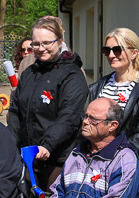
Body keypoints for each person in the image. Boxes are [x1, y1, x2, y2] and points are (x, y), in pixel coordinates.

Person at [6, 15, 89, 188]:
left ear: (59, 42)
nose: (41, 48)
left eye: (46, 43)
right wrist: (12, 144)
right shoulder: (29, 73)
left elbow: (69, 117)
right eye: (36, 44)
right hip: (28, 157)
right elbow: (15, 111)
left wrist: (47, 145)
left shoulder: (71, 75)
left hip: (56, 159)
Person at [87, 28, 139, 162]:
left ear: (133, 53)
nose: (112, 55)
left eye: (117, 50)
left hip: (128, 162)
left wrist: (113, 154)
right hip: (96, 160)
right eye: (107, 50)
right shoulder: (97, 87)